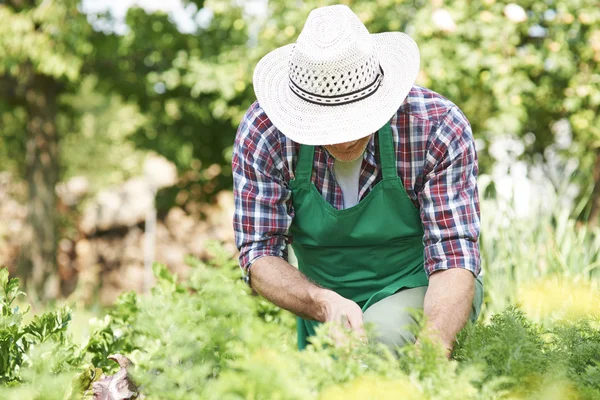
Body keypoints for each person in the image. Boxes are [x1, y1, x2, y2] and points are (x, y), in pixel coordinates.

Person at [232, 4, 483, 355]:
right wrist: (322, 302)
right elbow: (259, 253)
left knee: (382, 338)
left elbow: (454, 256)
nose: (345, 137)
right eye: (326, 123)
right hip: (324, 306)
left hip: (426, 293)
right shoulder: (265, 133)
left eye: (355, 118)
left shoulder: (436, 126)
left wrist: (434, 346)